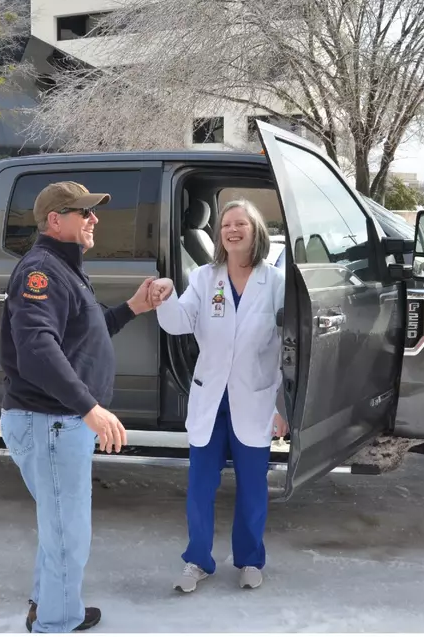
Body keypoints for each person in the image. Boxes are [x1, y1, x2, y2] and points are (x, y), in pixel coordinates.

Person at [0, 180, 157, 633]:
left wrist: (133, 306)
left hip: (56, 422)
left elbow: (82, 335)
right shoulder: (42, 271)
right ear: (55, 220)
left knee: (59, 528)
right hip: (50, 421)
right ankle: (55, 623)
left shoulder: (64, 267)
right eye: (84, 213)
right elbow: (36, 348)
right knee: (69, 536)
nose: (94, 220)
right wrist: (90, 407)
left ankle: (49, 606)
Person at [149, 199, 287, 593]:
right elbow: (179, 323)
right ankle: (198, 561)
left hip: (255, 399)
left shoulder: (274, 283)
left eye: (241, 223)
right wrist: (165, 296)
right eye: (226, 224)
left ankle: (249, 560)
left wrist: (282, 407)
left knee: (253, 487)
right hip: (211, 399)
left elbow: (285, 348)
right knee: (200, 486)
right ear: (218, 234)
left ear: (255, 230)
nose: (232, 229)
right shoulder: (206, 278)